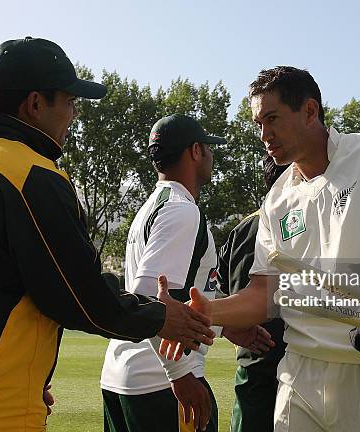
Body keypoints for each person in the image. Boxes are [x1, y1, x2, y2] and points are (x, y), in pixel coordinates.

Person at [0, 38, 214, 432]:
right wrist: (159, 316)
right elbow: (79, 296)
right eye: (69, 101)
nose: (74, 113)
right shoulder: (29, 174)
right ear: (35, 104)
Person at [162, 66, 360, 432]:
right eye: (258, 123)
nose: (264, 134)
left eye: (272, 118)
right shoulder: (278, 198)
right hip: (298, 373)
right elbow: (264, 294)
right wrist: (206, 312)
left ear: (310, 111)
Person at [100, 114, 272, 432]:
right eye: (208, 147)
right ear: (195, 151)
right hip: (160, 384)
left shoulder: (154, 206)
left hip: (125, 374)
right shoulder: (181, 209)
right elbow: (148, 299)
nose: (212, 155)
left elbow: (175, 297)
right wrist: (179, 373)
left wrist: (222, 327)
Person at [217, 155, 288, 432]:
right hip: (299, 368)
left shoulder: (240, 229)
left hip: (250, 367)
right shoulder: (304, 224)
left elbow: (220, 290)